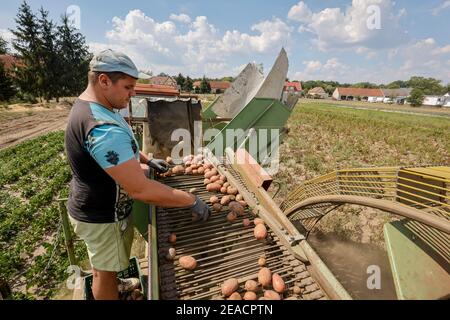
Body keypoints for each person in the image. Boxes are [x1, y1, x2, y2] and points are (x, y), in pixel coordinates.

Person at [64, 49, 210, 300]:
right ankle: (110, 290)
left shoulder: (98, 107)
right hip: (101, 215)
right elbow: (140, 189)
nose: (133, 93)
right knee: (103, 273)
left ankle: (116, 283)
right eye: (128, 87)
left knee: (109, 265)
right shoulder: (101, 129)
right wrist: (190, 200)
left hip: (103, 207)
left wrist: (146, 159)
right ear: (104, 81)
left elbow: (124, 147)